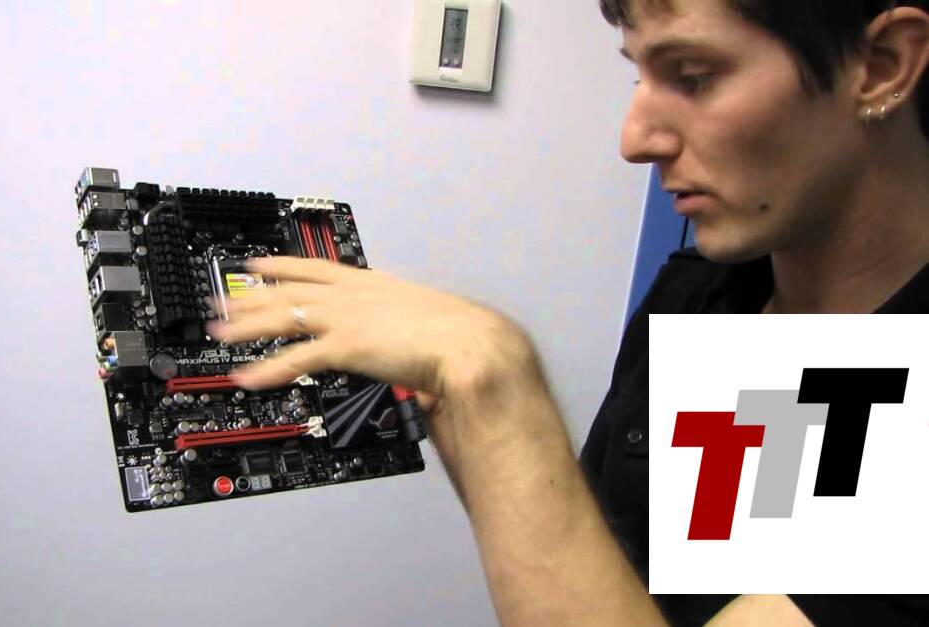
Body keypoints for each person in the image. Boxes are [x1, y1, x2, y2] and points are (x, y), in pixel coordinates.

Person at [209, 0, 929, 624]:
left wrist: (498, 385)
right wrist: (457, 403)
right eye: (638, 77)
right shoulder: (699, 298)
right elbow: (616, 581)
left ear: (881, 65)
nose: (634, 140)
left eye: (692, 77)